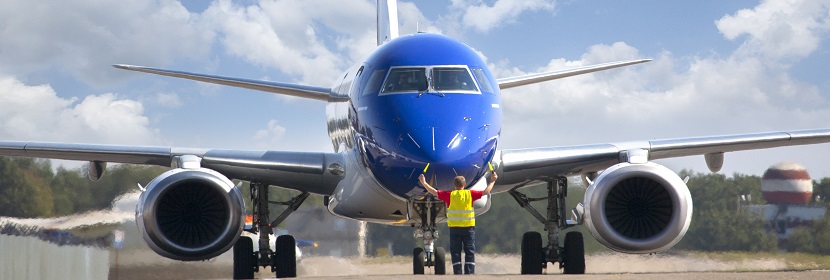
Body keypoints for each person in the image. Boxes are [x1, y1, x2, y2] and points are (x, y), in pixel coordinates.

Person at [418, 171, 498, 275]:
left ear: (454, 185)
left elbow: (434, 192)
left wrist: (424, 183)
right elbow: (485, 192)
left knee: (455, 252)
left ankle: (457, 273)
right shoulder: (470, 194)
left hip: (455, 228)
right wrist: (492, 181)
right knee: (469, 251)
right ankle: (469, 273)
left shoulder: (450, 195)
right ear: (464, 185)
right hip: (468, 228)